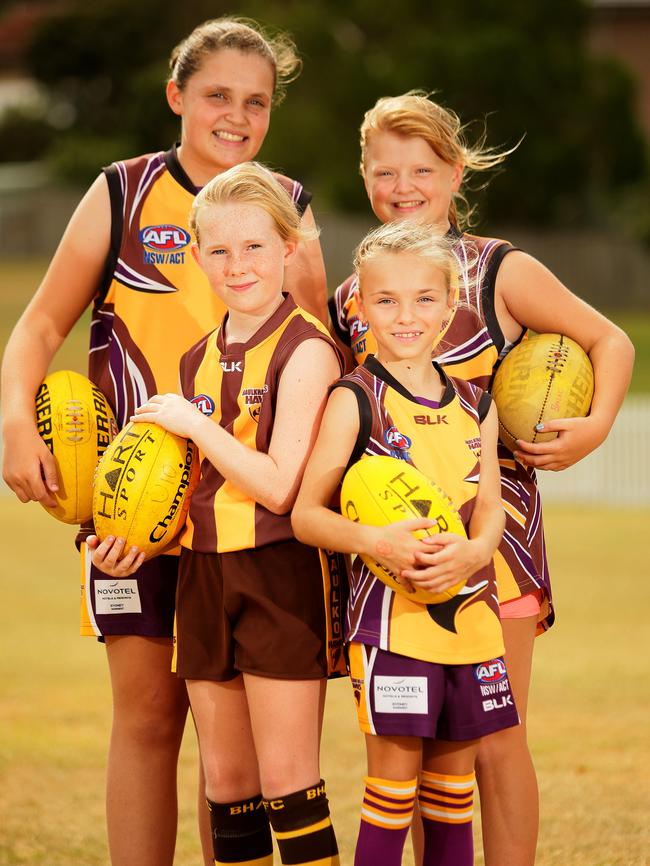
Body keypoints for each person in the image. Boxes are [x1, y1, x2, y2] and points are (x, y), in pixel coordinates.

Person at [1, 18, 328, 866]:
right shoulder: (122, 190)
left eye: (256, 102)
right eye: (217, 95)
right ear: (178, 96)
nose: (237, 115)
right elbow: (40, 322)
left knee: (237, 751)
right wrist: (12, 420)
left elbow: (320, 346)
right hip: (132, 502)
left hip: (246, 513)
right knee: (147, 716)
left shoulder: (288, 207)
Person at [327, 91, 635, 865]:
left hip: (499, 536)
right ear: (363, 175)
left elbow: (610, 339)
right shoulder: (354, 293)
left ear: (456, 172)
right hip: (399, 549)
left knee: (495, 738)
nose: (403, 186)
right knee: (431, 747)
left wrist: (593, 430)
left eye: (422, 169)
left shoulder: (501, 268)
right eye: (384, 170)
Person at [90, 161, 342, 866]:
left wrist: (196, 427)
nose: (238, 266)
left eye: (255, 248)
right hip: (202, 575)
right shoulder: (196, 358)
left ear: (288, 250)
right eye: (221, 251)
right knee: (228, 785)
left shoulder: (308, 350)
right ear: (196, 258)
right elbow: (172, 491)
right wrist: (130, 540)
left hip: (280, 574)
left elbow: (280, 486)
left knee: (288, 782)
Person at [292, 219, 519, 866]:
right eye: (386, 300)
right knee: (391, 796)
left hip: (472, 621)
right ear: (359, 306)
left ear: (451, 305)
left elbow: (492, 509)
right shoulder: (355, 399)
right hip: (393, 627)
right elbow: (308, 515)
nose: (407, 316)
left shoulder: (477, 402)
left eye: (424, 299)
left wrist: (476, 554)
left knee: (453, 796)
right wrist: (375, 540)